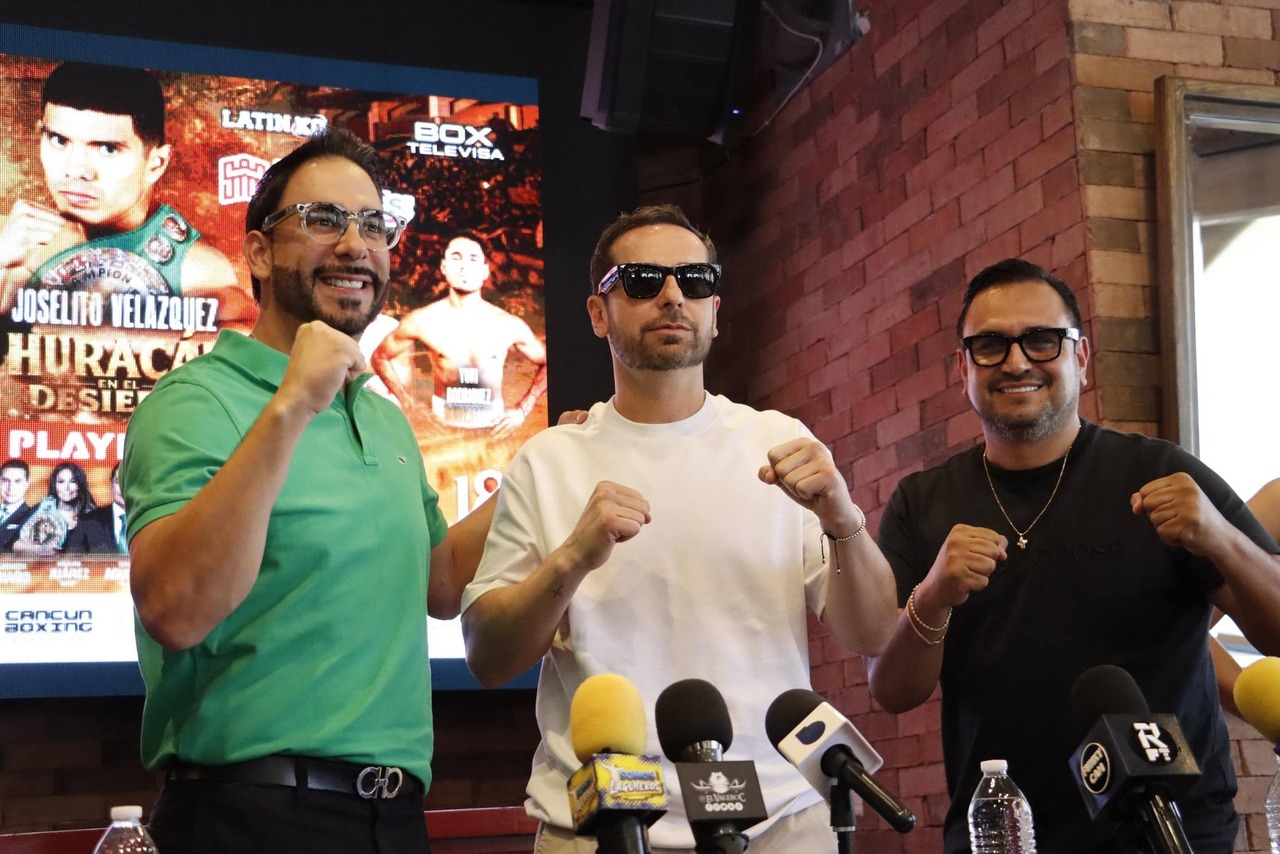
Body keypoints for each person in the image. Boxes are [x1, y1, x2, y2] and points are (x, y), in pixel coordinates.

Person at [461, 205, 899, 853]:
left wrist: (844, 519)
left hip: (780, 820)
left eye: (694, 280)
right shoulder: (550, 459)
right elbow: (488, 657)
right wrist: (572, 558)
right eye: (642, 280)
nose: (672, 296)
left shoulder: (778, 440)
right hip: (599, 825)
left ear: (715, 311)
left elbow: (875, 633)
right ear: (597, 313)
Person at [120, 127, 493, 854]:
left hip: (394, 818)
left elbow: (442, 583)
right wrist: (292, 404)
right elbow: (175, 608)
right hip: (251, 815)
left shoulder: (382, 416)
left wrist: (546, 469)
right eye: (323, 220)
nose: (355, 245)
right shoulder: (194, 401)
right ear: (259, 253)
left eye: (374, 225)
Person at [865, 258, 1280, 853]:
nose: (1016, 362)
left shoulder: (1159, 470)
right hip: (1005, 833)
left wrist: (1223, 538)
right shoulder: (922, 502)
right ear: (963, 368)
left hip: (1171, 832)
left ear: (1080, 358)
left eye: (1042, 340)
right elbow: (890, 690)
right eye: (990, 345)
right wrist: (932, 597)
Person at [0, 61, 253, 326]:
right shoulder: (16, 245)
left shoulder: (196, 273)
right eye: (59, 140)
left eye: (107, 149)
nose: (76, 170)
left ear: (156, 164)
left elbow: (245, 339)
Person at [371, 231, 547, 436]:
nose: (464, 266)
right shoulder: (422, 321)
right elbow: (380, 357)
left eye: (473, 259)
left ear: (485, 271)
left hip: (495, 431)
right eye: (456, 258)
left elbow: (549, 363)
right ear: (444, 268)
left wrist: (523, 409)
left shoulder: (507, 324)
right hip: (442, 431)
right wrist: (410, 405)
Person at [64, 463, 126, 554]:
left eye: (130, 482)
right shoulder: (88, 521)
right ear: (111, 485)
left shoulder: (148, 521)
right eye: (118, 482)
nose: (124, 488)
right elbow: (72, 558)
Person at [0, 459, 35, 551]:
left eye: (17, 481)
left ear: (27, 484)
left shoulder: (33, 517)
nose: (11, 488)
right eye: (6, 480)